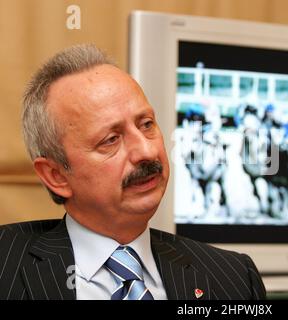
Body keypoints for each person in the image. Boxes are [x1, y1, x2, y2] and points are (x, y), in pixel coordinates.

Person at [0, 44, 266, 300]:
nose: (147, 152)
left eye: (147, 124)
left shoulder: (234, 278)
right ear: (56, 175)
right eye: (111, 140)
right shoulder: (6, 267)